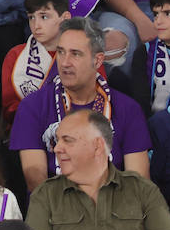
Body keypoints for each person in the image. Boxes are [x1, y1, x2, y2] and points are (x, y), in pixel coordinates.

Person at [11, 18, 151, 192]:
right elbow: (35, 179)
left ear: (98, 60)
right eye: (61, 52)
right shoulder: (32, 106)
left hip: (114, 211)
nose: (65, 62)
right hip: (55, 211)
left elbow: (138, 182)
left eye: (75, 54)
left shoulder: (127, 109)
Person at [25, 109, 170, 230]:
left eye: (67, 140)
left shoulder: (143, 191)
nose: (57, 148)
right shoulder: (45, 195)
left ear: (97, 146)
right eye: (57, 140)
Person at [0, 0, 72, 125]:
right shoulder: (15, 55)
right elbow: (9, 111)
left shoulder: (84, 53)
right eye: (31, 17)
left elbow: (97, 99)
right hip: (29, 129)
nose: (36, 25)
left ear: (65, 18)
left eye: (44, 17)